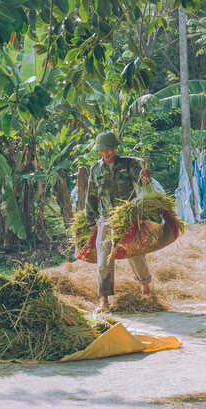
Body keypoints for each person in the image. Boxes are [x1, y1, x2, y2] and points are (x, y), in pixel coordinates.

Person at [85, 131, 153, 312]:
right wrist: (90, 218)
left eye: (109, 149)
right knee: (104, 259)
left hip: (127, 217)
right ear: (99, 151)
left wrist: (145, 176)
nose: (106, 153)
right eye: (102, 150)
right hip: (106, 219)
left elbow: (143, 181)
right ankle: (104, 300)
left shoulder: (128, 164)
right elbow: (91, 195)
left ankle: (145, 287)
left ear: (115, 148)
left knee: (135, 252)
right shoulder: (95, 169)